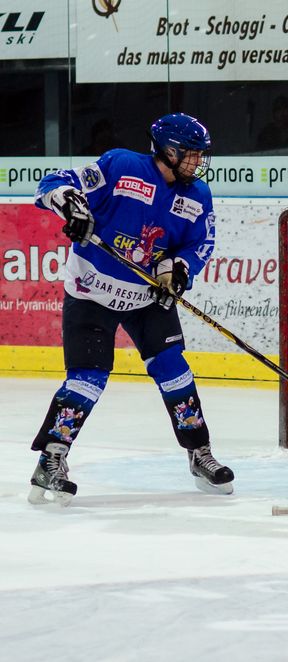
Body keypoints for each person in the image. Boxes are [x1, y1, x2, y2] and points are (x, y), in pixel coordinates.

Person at [29, 112, 232, 506]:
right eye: (190, 154)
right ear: (168, 151)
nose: (197, 162)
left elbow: (199, 244)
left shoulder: (197, 196)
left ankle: (199, 452)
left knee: (173, 369)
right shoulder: (122, 166)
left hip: (146, 297)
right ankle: (51, 460)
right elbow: (54, 183)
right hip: (91, 291)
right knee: (87, 378)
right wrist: (70, 206)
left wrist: (178, 268)